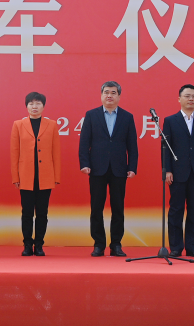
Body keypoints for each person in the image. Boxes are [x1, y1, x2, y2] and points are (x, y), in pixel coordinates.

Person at [79, 81, 138, 258]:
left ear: (119, 96)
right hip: (97, 168)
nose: (109, 96)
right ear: (101, 95)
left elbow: (132, 146)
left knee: (118, 208)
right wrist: (84, 163)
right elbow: (84, 142)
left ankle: (116, 244)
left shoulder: (127, 117)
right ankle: (99, 244)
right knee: (96, 208)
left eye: (113, 92)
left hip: (119, 168)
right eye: (106, 92)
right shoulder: (91, 115)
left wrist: (132, 167)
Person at [162, 84, 194, 258]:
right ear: (179, 99)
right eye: (187, 96)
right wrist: (167, 171)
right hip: (177, 173)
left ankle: (192, 246)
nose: (191, 99)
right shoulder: (170, 120)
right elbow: (166, 148)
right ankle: (176, 247)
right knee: (176, 210)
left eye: (193, 96)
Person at [10, 92, 61, 257]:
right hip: (25, 176)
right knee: (26, 213)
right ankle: (27, 244)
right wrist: (15, 177)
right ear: (26, 106)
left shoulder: (51, 125)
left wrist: (56, 176)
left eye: (38, 103)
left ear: (43, 106)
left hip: (45, 176)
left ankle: (39, 245)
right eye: (31, 103)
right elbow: (14, 153)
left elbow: (56, 152)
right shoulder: (18, 125)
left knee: (42, 213)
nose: (34, 106)